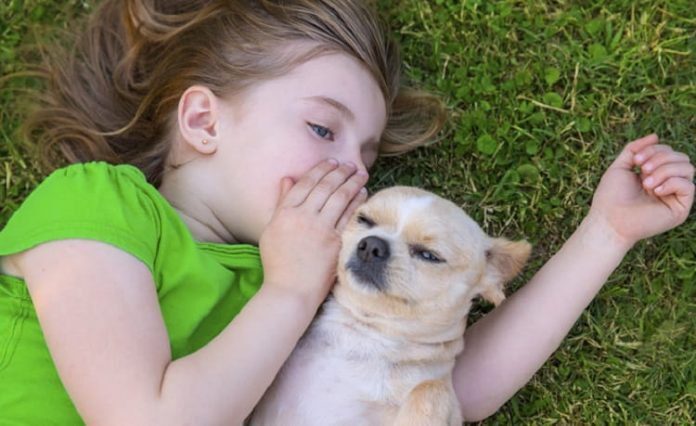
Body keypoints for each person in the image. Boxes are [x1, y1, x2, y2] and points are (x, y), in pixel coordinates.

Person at [0, 0, 692, 424]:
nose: (352, 172)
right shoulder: (96, 203)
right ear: (205, 121)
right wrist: (288, 291)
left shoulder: (304, 270)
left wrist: (606, 233)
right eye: (323, 130)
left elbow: (456, 383)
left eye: (366, 156)